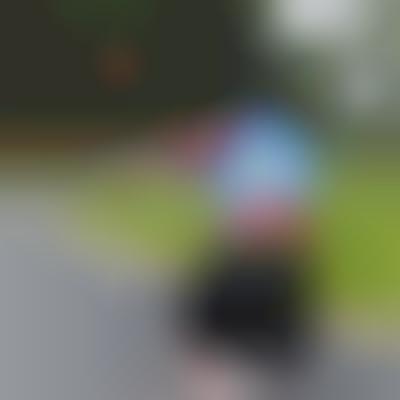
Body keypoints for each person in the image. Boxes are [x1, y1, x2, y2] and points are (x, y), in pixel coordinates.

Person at [168, 99, 318, 399]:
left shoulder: (270, 145)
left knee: (253, 313)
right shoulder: (244, 147)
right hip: (250, 250)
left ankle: (233, 369)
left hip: (265, 256)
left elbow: (285, 215)